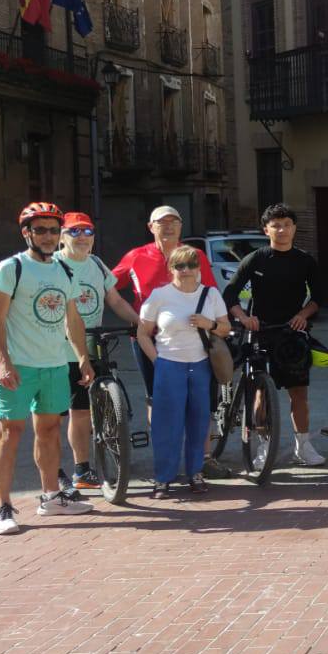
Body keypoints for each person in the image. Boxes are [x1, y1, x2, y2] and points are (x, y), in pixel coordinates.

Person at [0, 202, 96, 534]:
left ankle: (51, 497)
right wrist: (3, 360)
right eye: (40, 230)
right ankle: (2, 507)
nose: (48, 236)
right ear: (26, 233)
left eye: (53, 230)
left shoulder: (64, 271)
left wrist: (82, 357)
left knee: (48, 431)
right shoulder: (11, 268)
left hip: (53, 365)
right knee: (10, 433)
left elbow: (73, 318)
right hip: (18, 365)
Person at [222, 203, 328, 467]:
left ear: (294, 228)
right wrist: (243, 318)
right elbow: (230, 293)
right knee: (262, 393)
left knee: (299, 393)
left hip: (292, 333)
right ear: (266, 230)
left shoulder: (305, 260)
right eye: (276, 225)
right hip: (260, 332)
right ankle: (264, 447)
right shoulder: (256, 259)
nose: (282, 229)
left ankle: (303, 446)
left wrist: (303, 315)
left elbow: (319, 297)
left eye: (286, 224)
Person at [111, 206, 223, 471]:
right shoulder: (135, 257)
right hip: (150, 340)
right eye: (162, 222)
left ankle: (204, 458)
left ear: (181, 226)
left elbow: (210, 292)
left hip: (195, 340)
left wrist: (215, 324)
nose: (169, 226)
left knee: (201, 400)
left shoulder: (194, 256)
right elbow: (107, 287)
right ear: (151, 227)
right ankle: (164, 456)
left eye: (174, 221)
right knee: (157, 398)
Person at [136, 245, 231, 496]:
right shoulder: (160, 295)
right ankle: (163, 478)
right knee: (167, 424)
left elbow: (225, 327)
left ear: (199, 268)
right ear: (171, 269)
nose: (186, 270)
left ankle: (195, 473)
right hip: (169, 365)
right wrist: (157, 361)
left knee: (200, 421)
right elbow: (142, 333)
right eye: (180, 266)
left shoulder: (210, 294)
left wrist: (208, 324)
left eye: (191, 265)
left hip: (201, 365)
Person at [56, 212, 140, 488]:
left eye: (87, 232)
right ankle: (64, 467)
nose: (82, 237)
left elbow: (115, 300)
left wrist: (138, 322)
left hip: (94, 344)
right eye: (74, 232)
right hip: (60, 350)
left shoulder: (96, 264)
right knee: (63, 413)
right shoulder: (54, 265)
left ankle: (86, 465)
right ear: (61, 237)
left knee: (85, 409)